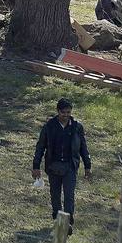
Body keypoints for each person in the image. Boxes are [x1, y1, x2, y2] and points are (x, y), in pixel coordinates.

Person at [32, 98, 92, 229]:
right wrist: (36, 166)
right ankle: (58, 220)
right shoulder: (49, 126)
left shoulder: (77, 127)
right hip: (53, 166)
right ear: (58, 111)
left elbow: (83, 147)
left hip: (70, 166)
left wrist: (88, 166)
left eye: (68, 112)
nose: (66, 115)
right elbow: (40, 147)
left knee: (69, 195)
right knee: (55, 195)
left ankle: (67, 223)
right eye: (63, 112)